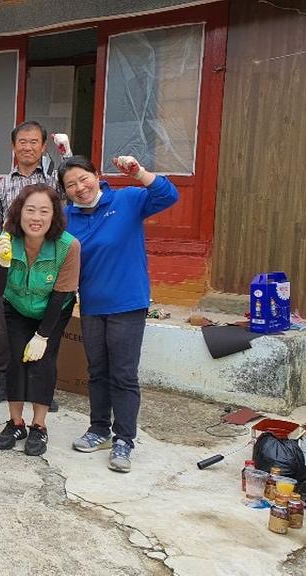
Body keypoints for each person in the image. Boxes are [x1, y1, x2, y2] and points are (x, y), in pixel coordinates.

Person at [60, 155, 178, 473]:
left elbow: (169, 195)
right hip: (92, 305)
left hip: (127, 303)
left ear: (96, 175)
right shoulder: (67, 216)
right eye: (70, 185)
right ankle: (99, 429)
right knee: (97, 371)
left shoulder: (127, 200)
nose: (79, 188)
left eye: (83, 179)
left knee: (123, 374)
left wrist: (139, 172)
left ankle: (124, 439)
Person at [0, 121, 70, 406]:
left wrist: (66, 153)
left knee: (47, 329)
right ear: (13, 146)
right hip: (11, 267)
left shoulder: (56, 179)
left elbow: (78, 186)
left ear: (43, 146)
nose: (28, 147)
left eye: (34, 142)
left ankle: (42, 389)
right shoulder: (1, 185)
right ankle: (1, 383)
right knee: (4, 330)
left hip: (48, 265)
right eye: (22, 141)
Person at [0, 184, 81, 457]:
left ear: (54, 215)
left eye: (44, 211)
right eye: (30, 210)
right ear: (19, 213)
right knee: (16, 358)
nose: (36, 217)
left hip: (53, 308)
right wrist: (3, 263)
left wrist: (42, 336)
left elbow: (61, 295)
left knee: (42, 362)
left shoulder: (68, 246)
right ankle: (15, 422)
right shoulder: (7, 240)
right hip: (16, 305)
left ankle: (39, 425)